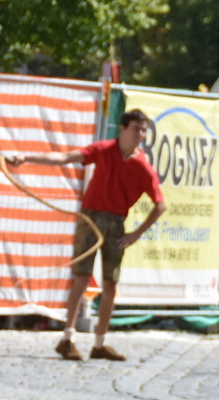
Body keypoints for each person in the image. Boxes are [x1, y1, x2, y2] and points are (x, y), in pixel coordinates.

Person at [6, 110, 166, 362]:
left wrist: (136, 234)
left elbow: (160, 205)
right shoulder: (104, 150)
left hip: (115, 224)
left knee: (110, 284)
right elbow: (65, 157)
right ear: (123, 128)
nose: (141, 135)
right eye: (136, 128)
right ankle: (67, 338)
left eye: (144, 130)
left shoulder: (142, 166)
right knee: (81, 277)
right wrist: (26, 158)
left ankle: (99, 343)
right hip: (90, 218)